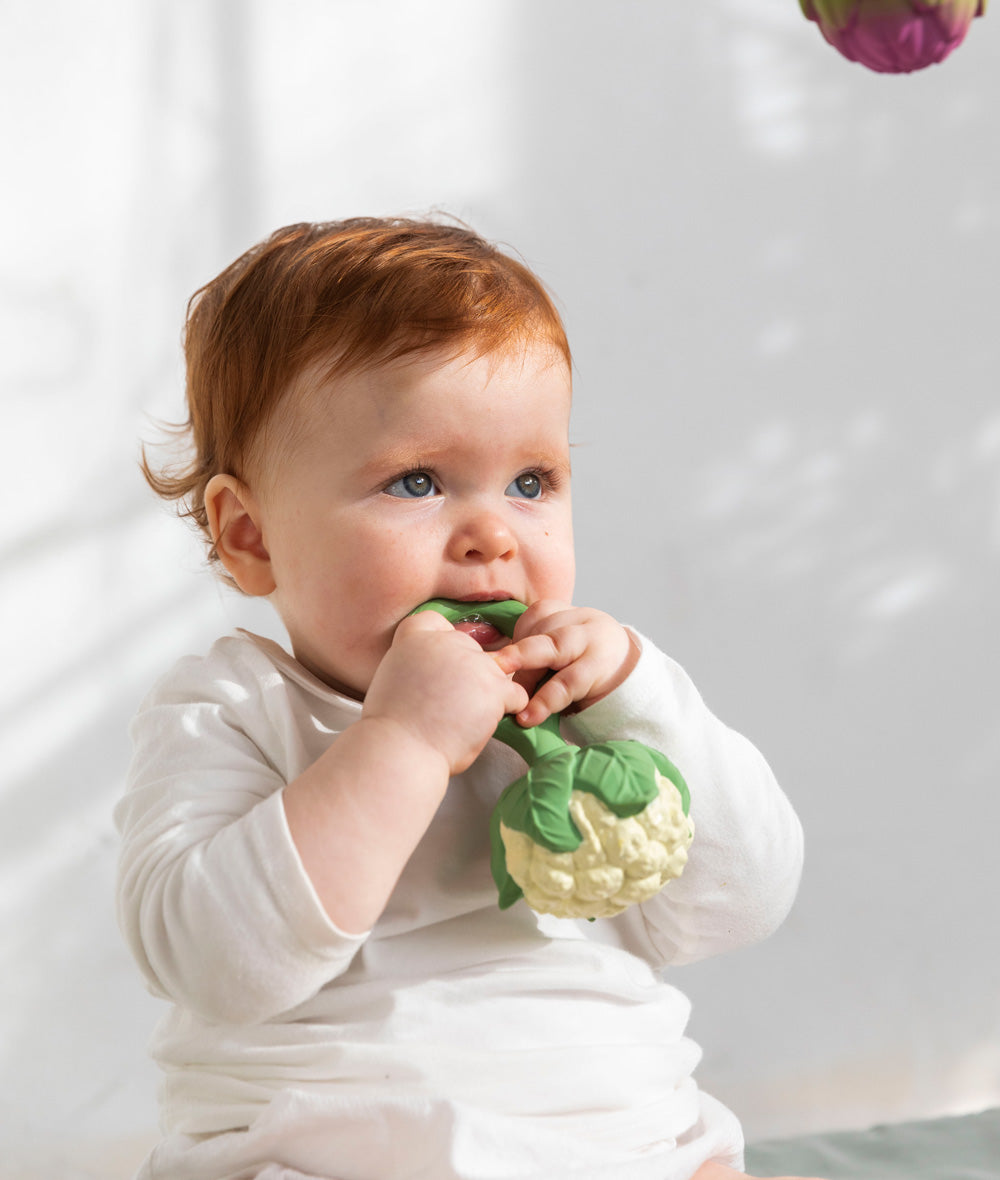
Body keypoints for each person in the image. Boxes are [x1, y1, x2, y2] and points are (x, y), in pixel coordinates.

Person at [116, 216, 816, 1180]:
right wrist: (401, 742)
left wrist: (637, 693)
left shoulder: (582, 698)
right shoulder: (234, 710)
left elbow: (744, 901)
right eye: (416, 482)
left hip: (623, 1140)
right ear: (252, 537)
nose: (493, 534)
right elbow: (212, 961)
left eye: (532, 481)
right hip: (333, 1151)